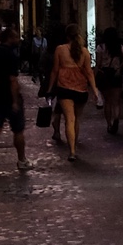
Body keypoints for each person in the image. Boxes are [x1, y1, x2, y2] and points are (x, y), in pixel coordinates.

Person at [0, 25, 30, 176]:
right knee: (18, 130)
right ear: (9, 39)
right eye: (15, 37)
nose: (18, 39)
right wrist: (15, 101)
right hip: (9, 97)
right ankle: (22, 160)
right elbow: (13, 80)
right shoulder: (11, 56)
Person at [50, 27, 100, 163]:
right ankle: (74, 147)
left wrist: (50, 88)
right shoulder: (84, 52)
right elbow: (89, 72)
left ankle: (71, 150)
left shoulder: (60, 50)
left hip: (64, 87)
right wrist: (95, 90)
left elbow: (55, 70)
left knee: (69, 119)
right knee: (76, 119)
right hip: (81, 88)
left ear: (67, 36)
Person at [97, 26, 123, 135]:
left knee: (107, 102)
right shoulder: (119, 46)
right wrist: (119, 67)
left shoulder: (101, 47)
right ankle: (116, 119)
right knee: (116, 102)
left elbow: (98, 64)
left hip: (105, 74)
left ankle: (109, 124)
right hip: (116, 74)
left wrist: (96, 74)